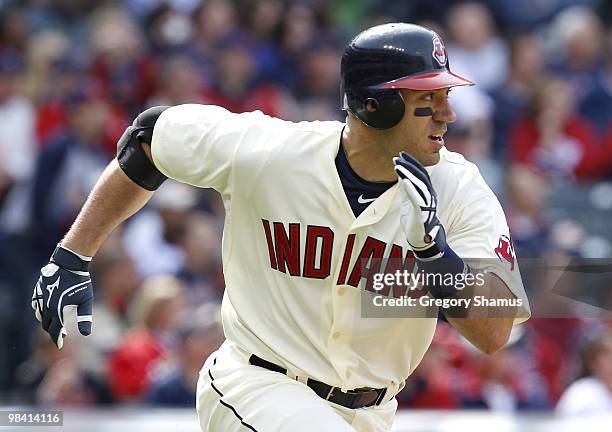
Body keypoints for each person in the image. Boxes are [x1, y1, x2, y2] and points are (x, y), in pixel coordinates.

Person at [31, 23, 530, 431]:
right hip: (257, 385)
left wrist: (436, 256)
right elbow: (149, 139)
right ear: (375, 103)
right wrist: (72, 255)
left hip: (371, 413)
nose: (448, 113)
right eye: (428, 98)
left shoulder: (461, 189)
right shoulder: (272, 152)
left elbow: (494, 332)